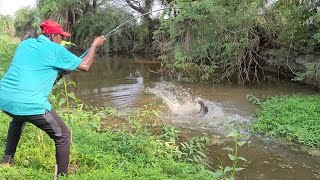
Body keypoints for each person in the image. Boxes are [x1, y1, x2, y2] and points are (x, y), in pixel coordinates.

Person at [0, 19, 106, 175]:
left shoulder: (25, 44)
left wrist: (59, 71)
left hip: (4, 98)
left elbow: (35, 67)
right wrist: (94, 46)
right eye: (61, 37)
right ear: (54, 36)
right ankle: (62, 175)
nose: (62, 40)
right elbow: (85, 65)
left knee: (18, 120)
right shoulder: (56, 50)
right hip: (30, 103)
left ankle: (6, 161)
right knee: (63, 135)